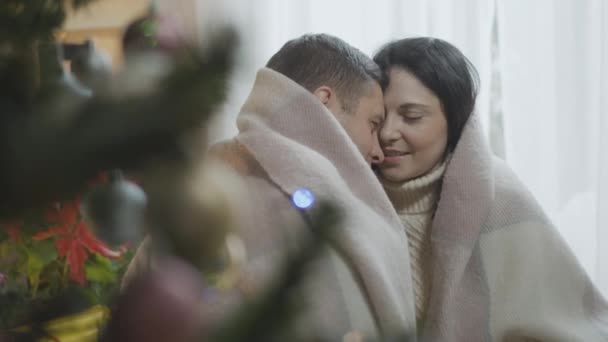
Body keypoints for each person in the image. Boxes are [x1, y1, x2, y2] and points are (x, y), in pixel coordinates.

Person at [123, 34, 418, 339]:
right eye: (373, 123)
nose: (378, 151)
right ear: (322, 103)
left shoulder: (201, 188)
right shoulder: (337, 215)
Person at [374, 37, 608, 341]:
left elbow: (576, 326)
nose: (388, 133)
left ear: (455, 122)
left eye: (412, 116)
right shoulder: (347, 195)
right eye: (377, 117)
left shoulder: (499, 195)